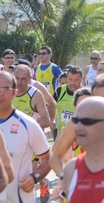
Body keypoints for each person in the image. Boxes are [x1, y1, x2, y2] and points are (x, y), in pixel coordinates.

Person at [0, 71, 51, 203]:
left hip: (19, 198)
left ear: (14, 93)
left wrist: (35, 177)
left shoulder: (28, 125)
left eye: (6, 89)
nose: (1, 93)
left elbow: (48, 159)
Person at [54, 66, 83, 134]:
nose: (72, 83)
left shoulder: (86, 94)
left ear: (81, 79)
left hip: (79, 136)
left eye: (76, 80)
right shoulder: (59, 91)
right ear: (67, 78)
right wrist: (53, 120)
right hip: (61, 134)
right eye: (70, 79)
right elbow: (52, 106)